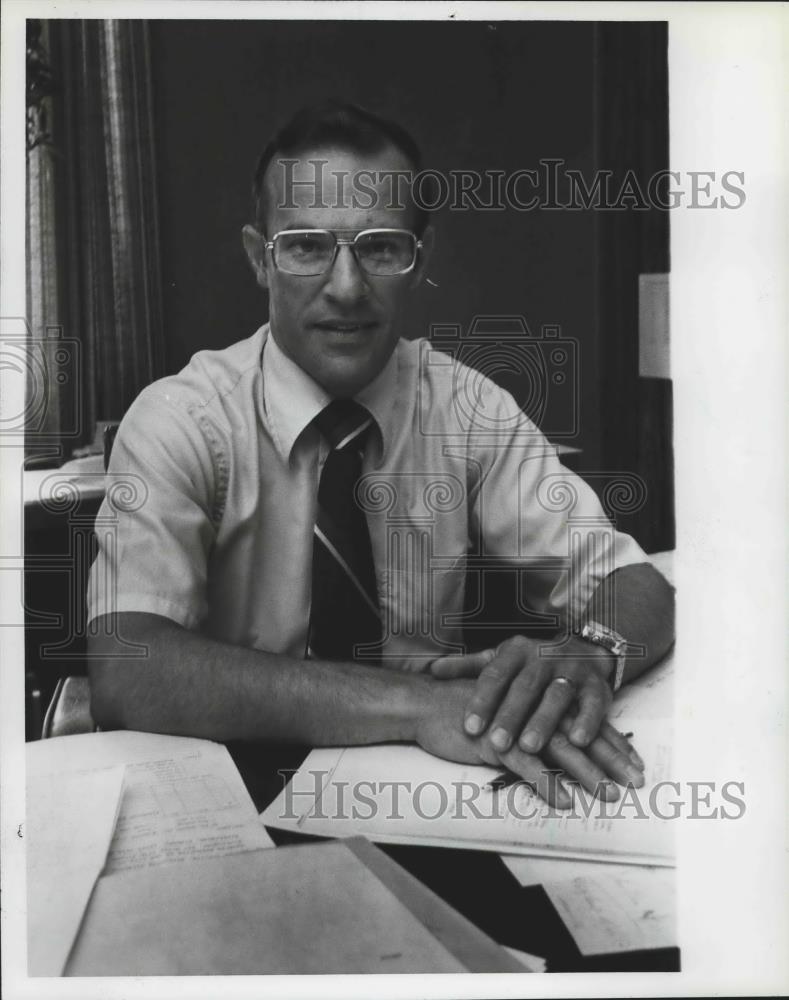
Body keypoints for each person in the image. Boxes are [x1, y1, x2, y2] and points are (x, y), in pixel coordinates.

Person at [87, 102, 674, 809]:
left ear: (416, 259)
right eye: (306, 245)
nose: (344, 286)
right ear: (258, 258)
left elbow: (635, 584)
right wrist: (415, 704)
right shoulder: (180, 416)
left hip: (429, 796)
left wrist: (592, 650)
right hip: (226, 798)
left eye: (379, 246)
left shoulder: (468, 408)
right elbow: (128, 664)